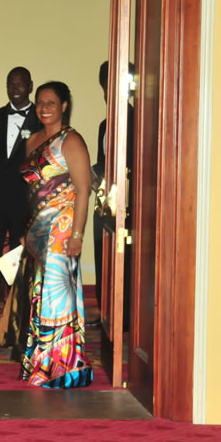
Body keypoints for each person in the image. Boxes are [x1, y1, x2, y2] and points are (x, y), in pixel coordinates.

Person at [3, 81, 93, 388]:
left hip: (62, 229)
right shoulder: (33, 140)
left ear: (64, 106)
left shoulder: (72, 141)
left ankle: (63, 367)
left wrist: (77, 235)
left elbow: (83, 190)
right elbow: (28, 190)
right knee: (37, 295)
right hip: (36, 230)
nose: (44, 108)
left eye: (51, 103)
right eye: (40, 102)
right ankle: (39, 363)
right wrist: (24, 231)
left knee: (57, 296)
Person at [0, 67, 43, 348]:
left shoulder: (40, 118)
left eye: (20, 83)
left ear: (30, 85)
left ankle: (21, 323)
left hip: (22, 204)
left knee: (22, 265)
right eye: (11, 83)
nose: (16, 87)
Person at [91, 60, 134, 327]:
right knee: (101, 254)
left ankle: (126, 316)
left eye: (115, 83)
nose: (109, 90)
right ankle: (106, 311)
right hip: (105, 202)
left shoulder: (138, 119)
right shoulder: (105, 124)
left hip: (129, 203)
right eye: (106, 84)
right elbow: (103, 161)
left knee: (125, 260)